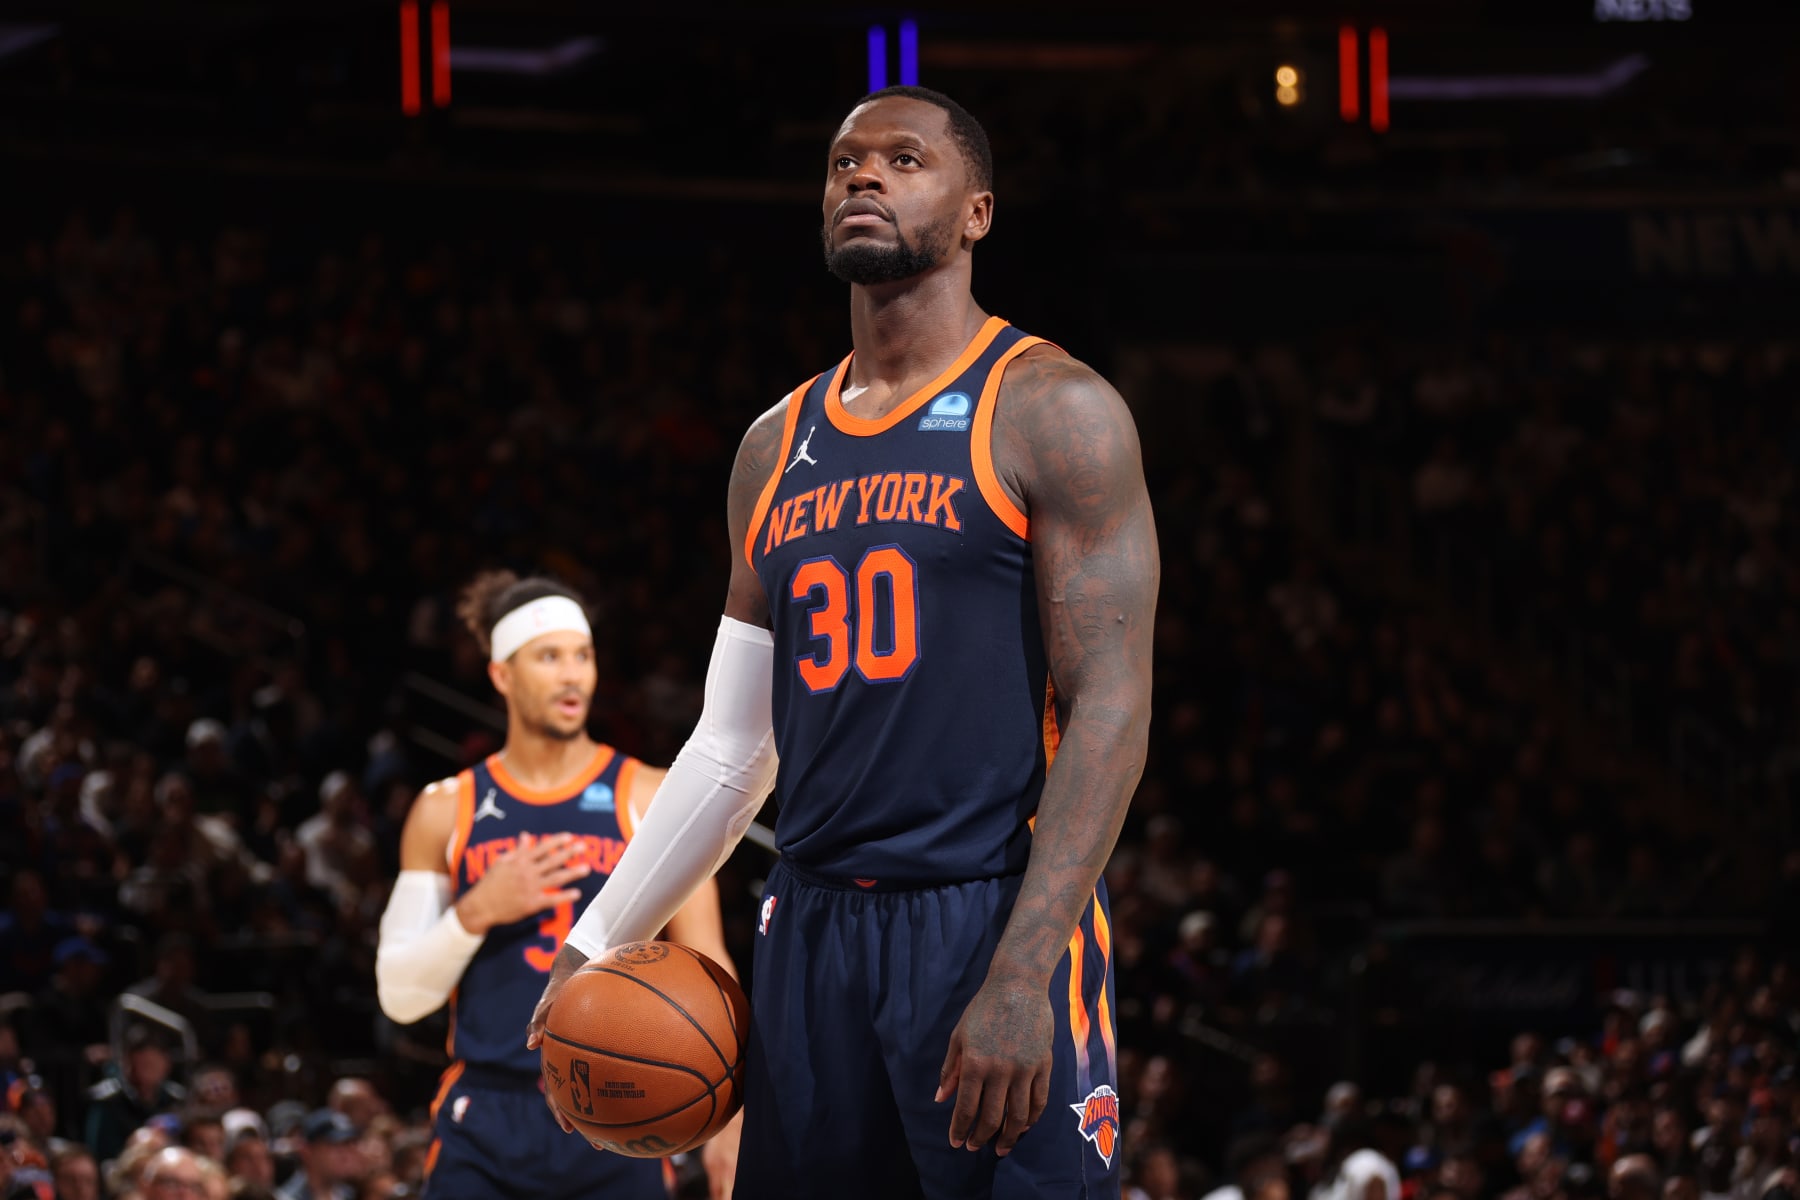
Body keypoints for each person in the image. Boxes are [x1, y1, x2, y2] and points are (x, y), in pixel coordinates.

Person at [528, 84, 1159, 1198]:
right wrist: (593, 941)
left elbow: (1110, 708)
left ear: (978, 214)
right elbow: (732, 748)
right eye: (841, 164)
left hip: (985, 911)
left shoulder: (1054, 409)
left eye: (904, 160)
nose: (861, 176)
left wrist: (1022, 969)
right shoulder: (774, 445)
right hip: (810, 923)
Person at [375, 572, 742, 1199]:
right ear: (501, 675)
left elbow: (708, 966)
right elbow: (400, 997)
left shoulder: (650, 794)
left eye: (583, 655)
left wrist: (729, 1125)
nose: (572, 675)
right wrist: (476, 910)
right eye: (549, 658)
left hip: (621, 1103)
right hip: (487, 1108)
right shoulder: (446, 808)